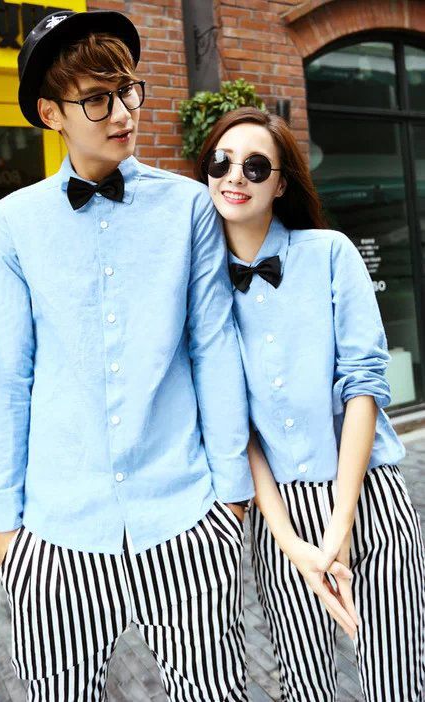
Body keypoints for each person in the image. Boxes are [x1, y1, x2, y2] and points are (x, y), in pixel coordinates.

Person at [0, 12, 254, 701]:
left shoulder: (189, 207)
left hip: (185, 519)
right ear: (51, 114)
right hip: (57, 534)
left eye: (127, 90)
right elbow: (5, 377)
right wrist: (8, 528)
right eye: (97, 100)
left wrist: (231, 500)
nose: (123, 112)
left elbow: (213, 348)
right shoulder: (12, 223)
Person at [196, 106, 425, 702]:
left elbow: (363, 385)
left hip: (367, 495)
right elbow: (230, 423)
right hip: (280, 516)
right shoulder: (200, 289)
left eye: (255, 166)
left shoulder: (330, 253)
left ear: (280, 184)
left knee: (397, 679)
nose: (235, 176)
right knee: (304, 686)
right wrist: (289, 540)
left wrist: (340, 524)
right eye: (222, 161)